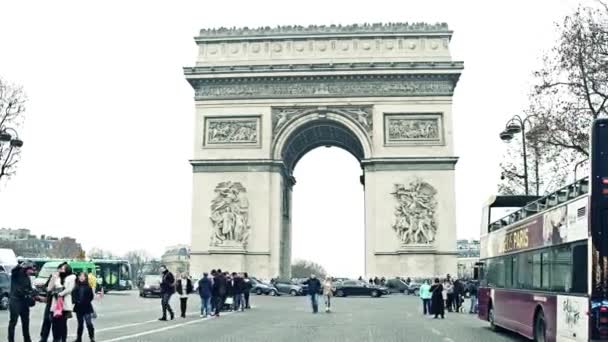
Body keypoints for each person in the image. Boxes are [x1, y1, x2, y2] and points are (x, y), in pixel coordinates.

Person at [48, 262, 76, 342]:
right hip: (55, 304)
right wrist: (53, 278)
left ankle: (63, 339)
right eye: (61, 269)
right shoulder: (57, 277)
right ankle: (56, 339)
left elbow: (69, 289)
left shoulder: (71, 277)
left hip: (65, 304)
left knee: (63, 324)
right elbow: (49, 288)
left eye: (63, 269)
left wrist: (60, 293)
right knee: (55, 323)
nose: (61, 270)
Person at [8, 261, 35, 342]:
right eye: (31, 270)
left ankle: (27, 339)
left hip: (24, 302)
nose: (32, 272)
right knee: (13, 322)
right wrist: (20, 265)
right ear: (26, 268)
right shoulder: (16, 274)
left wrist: (33, 294)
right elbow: (13, 270)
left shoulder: (28, 278)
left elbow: (30, 289)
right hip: (15, 301)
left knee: (26, 322)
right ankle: (11, 339)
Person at [72, 272, 95, 342]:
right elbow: (73, 296)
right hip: (78, 307)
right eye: (80, 276)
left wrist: (86, 301)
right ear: (78, 277)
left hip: (87, 307)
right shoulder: (76, 286)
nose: (81, 277)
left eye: (83, 276)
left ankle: (92, 338)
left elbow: (91, 296)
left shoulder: (88, 286)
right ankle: (79, 338)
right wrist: (76, 301)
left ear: (85, 277)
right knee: (80, 324)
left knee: (89, 323)